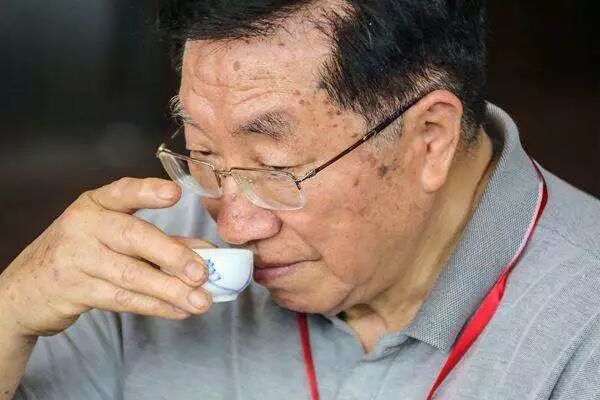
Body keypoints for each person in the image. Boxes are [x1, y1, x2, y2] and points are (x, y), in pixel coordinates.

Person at [1, 1, 599, 399]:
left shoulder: (582, 331)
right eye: (202, 154)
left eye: (275, 170)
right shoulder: (145, 257)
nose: (234, 226)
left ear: (430, 138)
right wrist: (12, 311)